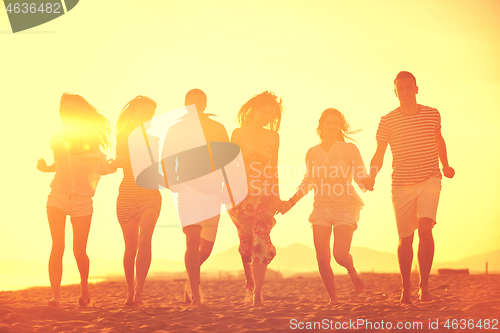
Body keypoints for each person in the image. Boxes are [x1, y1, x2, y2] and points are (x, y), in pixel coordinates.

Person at [366, 71, 455, 304]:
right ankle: (406, 288)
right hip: (401, 184)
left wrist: (445, 165)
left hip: (430, 179)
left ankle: (423, 285)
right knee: (405, 237)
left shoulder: (432, 114)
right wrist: (371, 177)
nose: (405, 92)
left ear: (416, 89)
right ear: (395, 92)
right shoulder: (387, 121)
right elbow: (379, 154)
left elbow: (439, 140)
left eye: (409, 87)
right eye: (400, 88)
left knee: (425, 229)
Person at [279, 108, 367, 305]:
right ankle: (333, 298)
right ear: (321, 126)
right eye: (329, 123)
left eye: (336, 123)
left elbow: (360, 176)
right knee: (322, 257)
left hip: (345, 208)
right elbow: (308, 181)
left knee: (340, 254)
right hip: (320, 209)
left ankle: (351, 270)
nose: (332, 126)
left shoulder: (350, 150)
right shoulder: (312, 153)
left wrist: (366, 182)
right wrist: (291, 202)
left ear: (340, 127)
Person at [37, 93, 116, 308]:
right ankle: (55, 296)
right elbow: (61, 163)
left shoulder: (91, 140)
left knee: (79, 251)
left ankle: (84, 288)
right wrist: (46, 169)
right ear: (62, 114)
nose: (70, 113)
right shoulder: (56, 138)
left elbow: (99, 166)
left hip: (82, 201)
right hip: (58, 196)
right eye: (66, 110)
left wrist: (111, 166)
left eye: (74, 109)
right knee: (58, 246)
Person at [163, 89, 230, 306]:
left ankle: (190, 281)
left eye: (199, 100)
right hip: (188, 191)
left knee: (206, 249)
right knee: (192, 240)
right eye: (191, 100)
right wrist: (172, 181)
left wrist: (226, 186)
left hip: (213, 191)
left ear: (205, 104)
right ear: (185, 104)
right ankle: (196, 294)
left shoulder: (218, 128)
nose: (195, 103)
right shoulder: (177, 129)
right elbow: (166, 157)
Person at [228, 91, 284, 307]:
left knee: (261, 241)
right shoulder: (238, 134)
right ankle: (249, 278)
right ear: (255, 110)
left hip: (265, 196)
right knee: (247, 242)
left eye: (272, 114)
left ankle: (257, 292)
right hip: (240, 195)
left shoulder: (274, 137)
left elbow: (274, 167)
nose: (268, 117)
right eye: (265, 112)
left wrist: (276, 197)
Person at [114, 96, 162, 306]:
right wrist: (113, 163)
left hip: (150, 193)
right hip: (127, 195)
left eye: (151, 114)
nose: (148, 117)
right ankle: (130, 290)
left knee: (145, 241)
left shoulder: (155, 140)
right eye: (144, 112)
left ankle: (140, 291)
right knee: (130, 248)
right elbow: (120, 161)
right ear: (135, 113)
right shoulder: (123, 137)